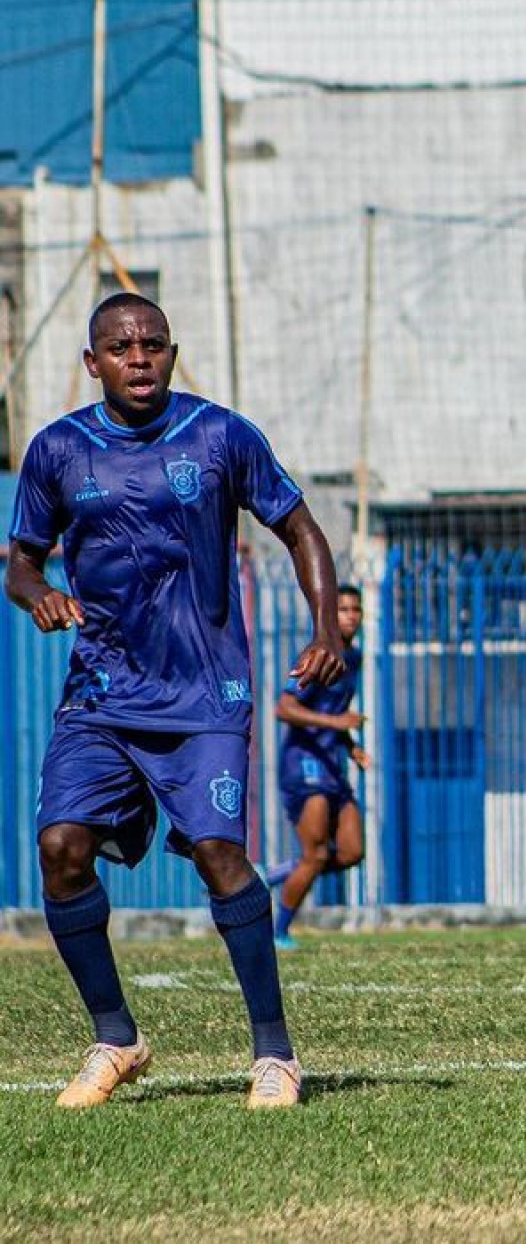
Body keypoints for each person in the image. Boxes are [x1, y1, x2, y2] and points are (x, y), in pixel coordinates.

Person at [6, 293, 345, 1111]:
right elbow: (20, 560)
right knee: (60, 846)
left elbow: (300, 529)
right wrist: (38, 593)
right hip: (101, 693)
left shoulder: (220, 434)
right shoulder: (58, 449)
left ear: (171, 353)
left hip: (206, 693)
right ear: (93, 362)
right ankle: (115, 1038)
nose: (139, 358)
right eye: (121, 347)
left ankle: (276, 1055)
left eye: (153, 345)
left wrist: (326, 627)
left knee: (221, 852)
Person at [268, 583, 368, 949]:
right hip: (304, 763)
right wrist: (337, 724)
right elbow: (284, 708)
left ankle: (278, 873)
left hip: (331, 761)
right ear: (329, 614)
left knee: (352, 851)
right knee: (315, 854)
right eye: (343, 610)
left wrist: (350, 746)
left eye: (356, 610)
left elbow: (334, 710)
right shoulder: (315, 656)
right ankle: (278, 932)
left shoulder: (353, 658)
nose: (351, 617)